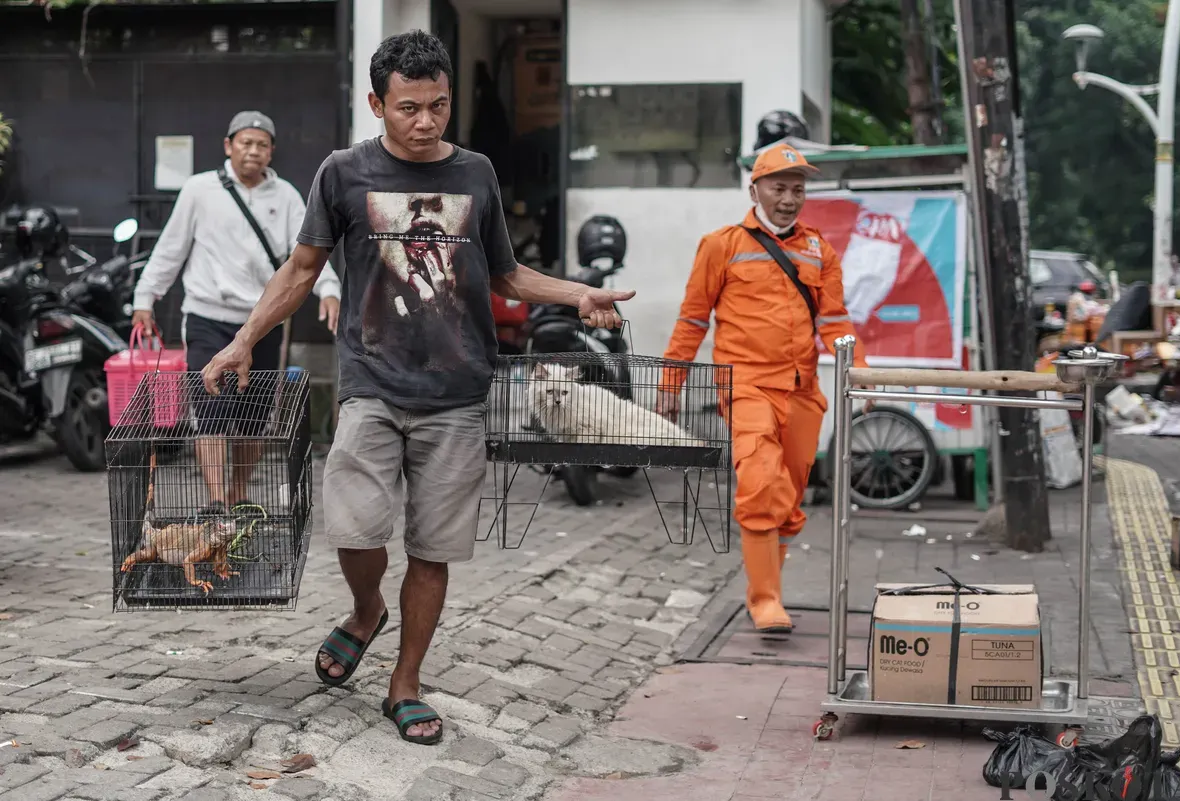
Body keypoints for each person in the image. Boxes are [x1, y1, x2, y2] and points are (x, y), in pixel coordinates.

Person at [199, 30, 633, 745]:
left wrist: (577, 293)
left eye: (437, 105)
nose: (426, 121)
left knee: (433, 549)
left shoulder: (477, 175)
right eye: (409, 108)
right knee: (355, 527)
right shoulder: (342, 173)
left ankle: (405, 682)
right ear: (377, 102)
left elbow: (507, 276)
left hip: (458, 391)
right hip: (371, 382)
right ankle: (367, 609)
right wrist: (244, 341)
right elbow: (303, 269)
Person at [656, 141, 868, 635]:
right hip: (746, 385)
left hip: (803, 389)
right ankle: (765, 600)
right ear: (755, 189)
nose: (789, 198)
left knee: (789, 498)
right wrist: (672, 383)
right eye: (779, 187)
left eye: (798, 189)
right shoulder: (722, 244)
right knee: (758, 484)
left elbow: (836, 320)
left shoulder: (819, 249)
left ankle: (771, 587)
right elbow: (692, 320)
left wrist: (861, 369)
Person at [131, 111, 342, 516]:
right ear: (228, 146)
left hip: (261, 321)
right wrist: (145, 298)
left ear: (271, 152)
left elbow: (308, 255)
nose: (253, 151)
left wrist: (329, 289)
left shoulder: (286, 196)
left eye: (262, 145)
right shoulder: (199, 190)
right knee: (209, 410)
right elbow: (170, 249)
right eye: (246, 143)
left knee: (252, 416)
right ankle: (213, 502)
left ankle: (236, 495)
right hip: (208, 316)